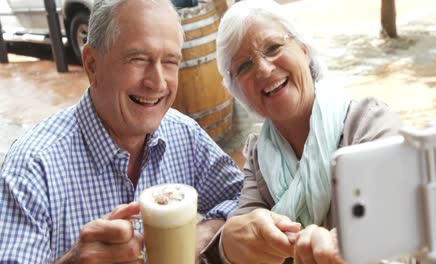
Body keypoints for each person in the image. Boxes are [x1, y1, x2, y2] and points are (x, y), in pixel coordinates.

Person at [0, 0, 243, 263]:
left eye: (170, 62)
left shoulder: (183, 134)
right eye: (138, 59)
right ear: (92, 64)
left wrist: (205, 234)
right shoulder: (32, 168)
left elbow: (242, 196)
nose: (158, 83)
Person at [202, 0, 402, 263]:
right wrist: (230, 245)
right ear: (239, 92)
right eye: (244, 66)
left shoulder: (367, 123)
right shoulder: (259, 158)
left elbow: (397, 225)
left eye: (273, 48)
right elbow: (246, 224)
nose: (263, 68)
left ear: (304, 50)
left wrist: (344, 247)